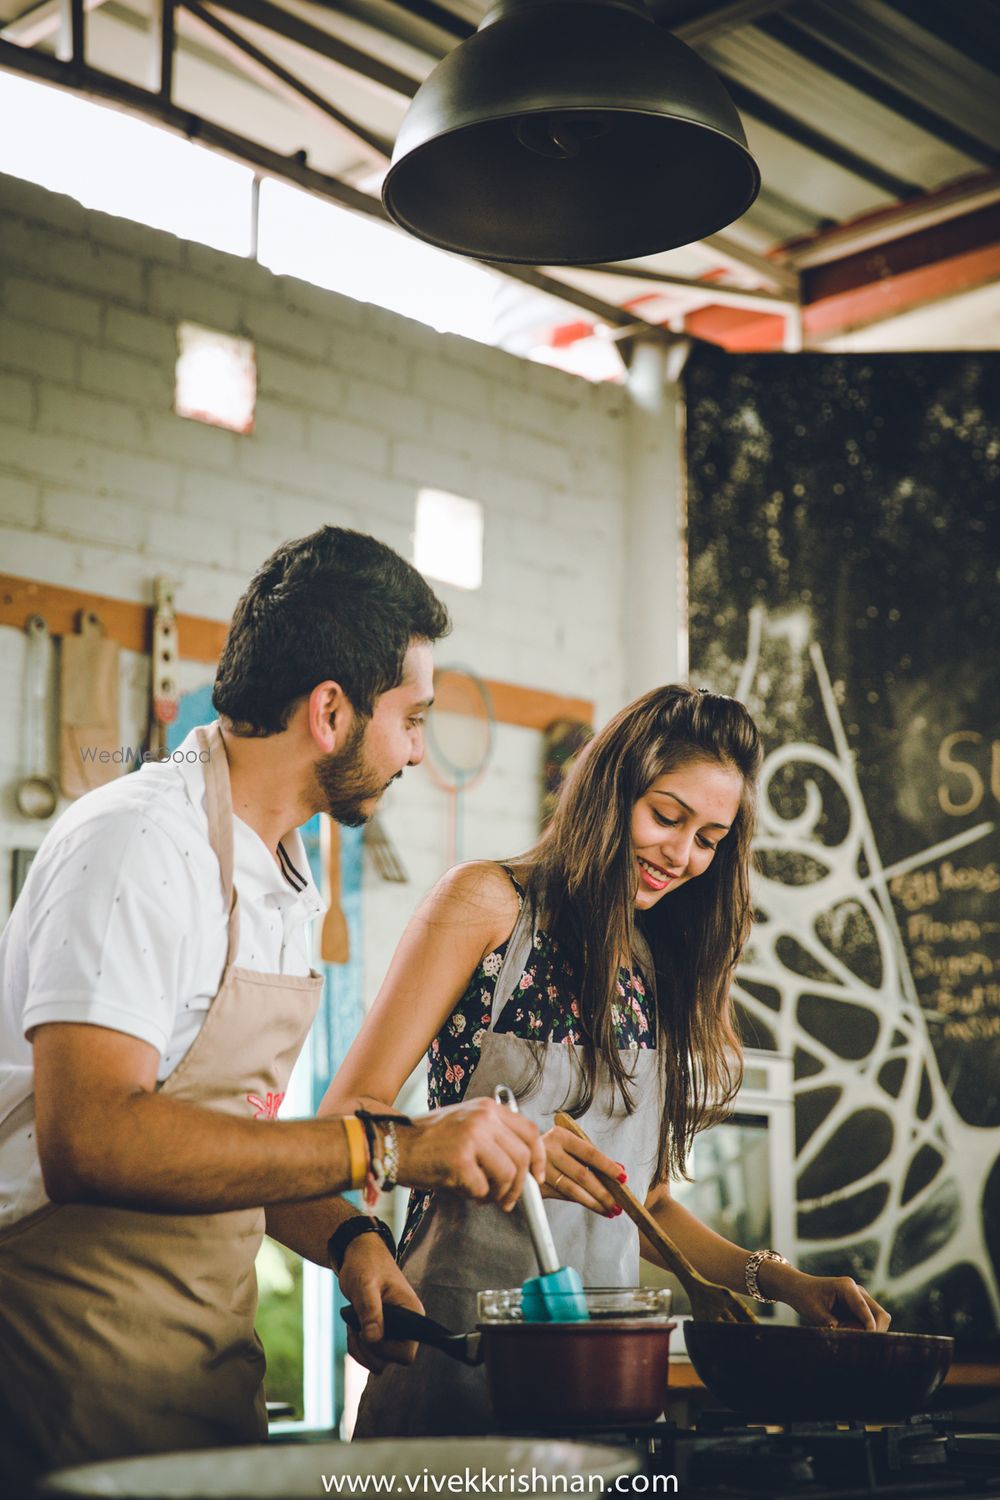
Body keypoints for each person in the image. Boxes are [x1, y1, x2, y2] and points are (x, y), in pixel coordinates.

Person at [0, 527, 544, 1483]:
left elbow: (227, 1142)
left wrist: (351, 1239)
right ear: (331, 711)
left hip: (208, 1366)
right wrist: (394, 1145)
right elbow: (89, 1140)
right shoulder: (138, 846)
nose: (416, 752)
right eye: (410, 718)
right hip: (67, 1359)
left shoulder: (289, 877)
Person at [319, 684, 891, 1438]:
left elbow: (643, 1204)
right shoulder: (487, 905)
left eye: (710, 839)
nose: (683, 856)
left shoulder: (657, 964)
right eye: (666, 816)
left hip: (605, 1396)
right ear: (610, 791)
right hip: (455, 1371)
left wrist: (785, 1283)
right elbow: (349, 1113)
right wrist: (466, 1155)